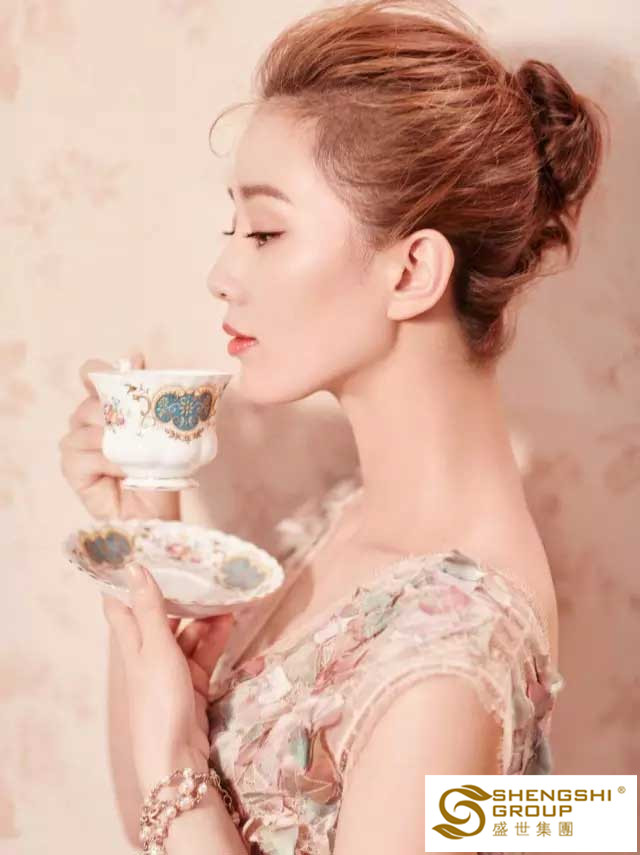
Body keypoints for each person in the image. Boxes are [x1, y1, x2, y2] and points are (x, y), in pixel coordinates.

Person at [59, 1, 607, 852]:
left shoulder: (451, 660)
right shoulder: (348, 518)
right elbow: (154, 826)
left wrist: (174, 750)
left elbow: (169, 779)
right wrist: (144, 540)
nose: (221, 273)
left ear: (413, 270)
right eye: (233, 228)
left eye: (266, 231)